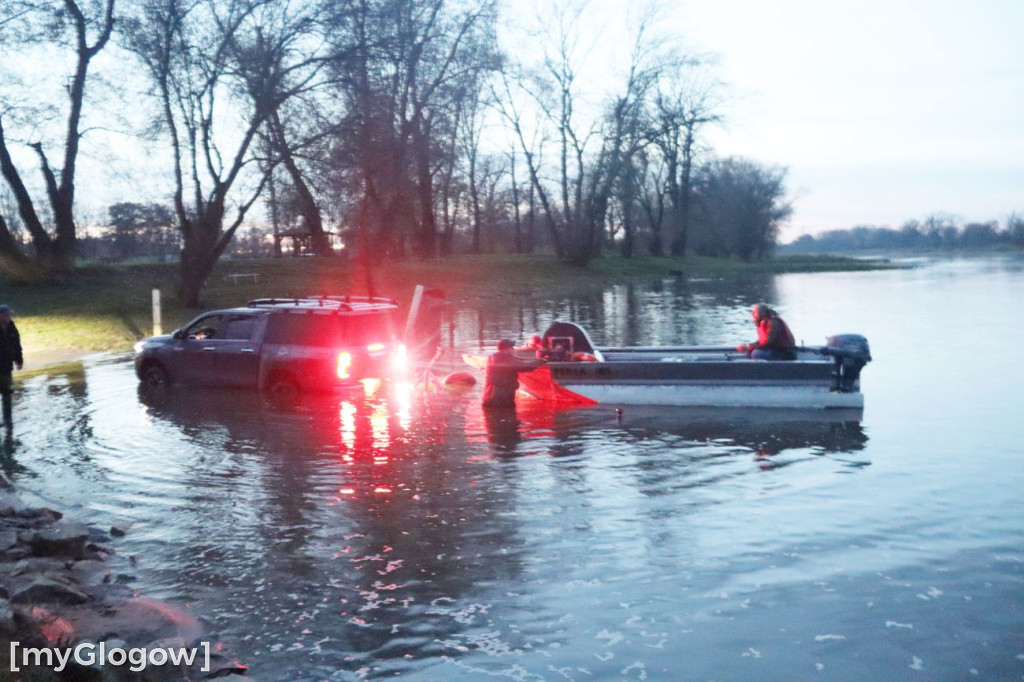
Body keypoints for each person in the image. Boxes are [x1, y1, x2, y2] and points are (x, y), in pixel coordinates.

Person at [482, 339, 543, 408]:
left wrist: (538, 360)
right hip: (498, 400)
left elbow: (521, 361)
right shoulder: (504, 360)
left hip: (493, 398)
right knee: (505, 416)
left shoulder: (496, 357)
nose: (513, 349)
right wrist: (542, 360)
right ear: (506, 349)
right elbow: (527, 366)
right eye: (511, 347)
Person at [0, 304, 23, 431]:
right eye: (6, 314)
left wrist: (19, 360)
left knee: (7, 392)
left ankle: (7, 419)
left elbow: (16, 344)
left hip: (7, 366)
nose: (9, 317)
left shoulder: (12, 328)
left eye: (9, 314)